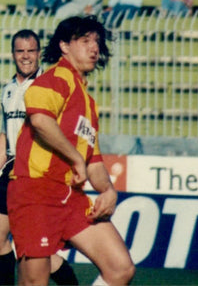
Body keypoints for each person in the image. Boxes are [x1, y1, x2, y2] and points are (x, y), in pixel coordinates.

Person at [8, 15, 135, 286]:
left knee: (120, 268)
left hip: (71, 198)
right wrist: (76, 158)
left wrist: (108, 190)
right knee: (34, 282)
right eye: (85, 40)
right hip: (36, 193)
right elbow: (41, 120)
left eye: (97, 42)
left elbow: (94, 162)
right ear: (64, 46)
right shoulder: (53, 80)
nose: (94, 48)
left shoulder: (88, 103)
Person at [0, 30, 79, 286]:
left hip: (36, 172)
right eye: (21, 51)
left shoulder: (48, 86)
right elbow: (5, 135)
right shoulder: (8, 90)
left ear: (39, 53)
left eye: (31, 51)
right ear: (13, 55)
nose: (26, 56)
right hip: (11, 169)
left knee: (37, 253)